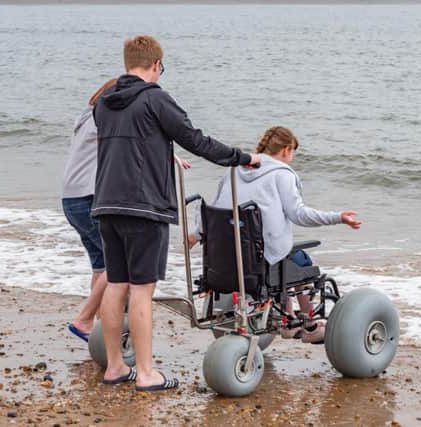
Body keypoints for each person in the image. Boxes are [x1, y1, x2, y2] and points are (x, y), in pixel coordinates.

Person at [92, 35, 260, 391]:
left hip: (106, 203)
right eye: (160, 67)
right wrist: (242, 158)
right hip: (144, 207)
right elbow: (195, 139)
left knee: (116, 285)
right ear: (156, 65)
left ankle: (115, 367)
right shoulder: (156, 99)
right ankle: (147, 373)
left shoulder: (103, 103)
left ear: (127, 63)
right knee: (141, 290)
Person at [188, 126, 361, 343]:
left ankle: (286, 316)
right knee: (300, 261)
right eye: (292, 154)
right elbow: (299, 214)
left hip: (224, 257)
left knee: (283, 258)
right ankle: (309, 324)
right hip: (258, 261)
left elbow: (218, 210)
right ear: (287, 149)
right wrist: (337, 217)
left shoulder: (233, 170)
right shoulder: (282, 174)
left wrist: (196, 235)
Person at [61, 78, 117, 343]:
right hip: (88, 198)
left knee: (100, 264)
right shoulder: (103, 121)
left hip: (71, 199)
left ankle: (97, 326)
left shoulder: (85, 118)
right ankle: (84, 319)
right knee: (119, 262)